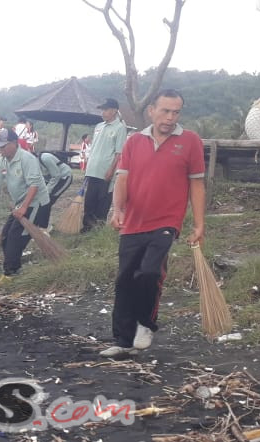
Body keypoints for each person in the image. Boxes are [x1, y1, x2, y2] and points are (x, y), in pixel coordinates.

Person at [100, 89, 206, 358]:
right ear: (152, 111)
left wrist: (198, 224)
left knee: (150, 272)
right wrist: (117, 210)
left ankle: (146, 324)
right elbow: (122, 179)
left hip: (166, 221)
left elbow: (196, 184)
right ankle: (123, 340)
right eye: (165, 111)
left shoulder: (190, 141)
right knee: (124, 279)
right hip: (133, 222)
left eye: (176, 112)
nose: (170, 118)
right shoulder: (134, 141)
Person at [0, 129, 49, 285]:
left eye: (3, 146)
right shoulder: (3, 160)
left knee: (15, 237)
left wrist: (23, 208)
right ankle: (14, 269)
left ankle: (10, 274)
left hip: (35, 204)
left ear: (14, 143)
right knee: (6, 236)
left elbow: (34, 185)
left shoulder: (27, 159)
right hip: (21, 203)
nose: (1, 149)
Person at [82, 98, 127, 232]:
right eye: (102, 110)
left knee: (102, 200)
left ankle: (97, 228)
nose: (103, 112)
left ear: (114, 111)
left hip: (106, 171)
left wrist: (111, 170)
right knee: (89, 199)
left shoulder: (120, 128)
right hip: (92, 169)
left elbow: (119, 153)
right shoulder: (99, 126)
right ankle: (87, 226)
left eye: (106, 109)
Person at [33, 152, 74, 229]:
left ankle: (44, 227)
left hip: (63, 177)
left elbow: (56, 175)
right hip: (52, 179)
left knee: (48, 200)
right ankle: (38, 224)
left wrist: (46, 191)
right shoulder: (33, 165)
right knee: (40, 201)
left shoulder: (45, 158)